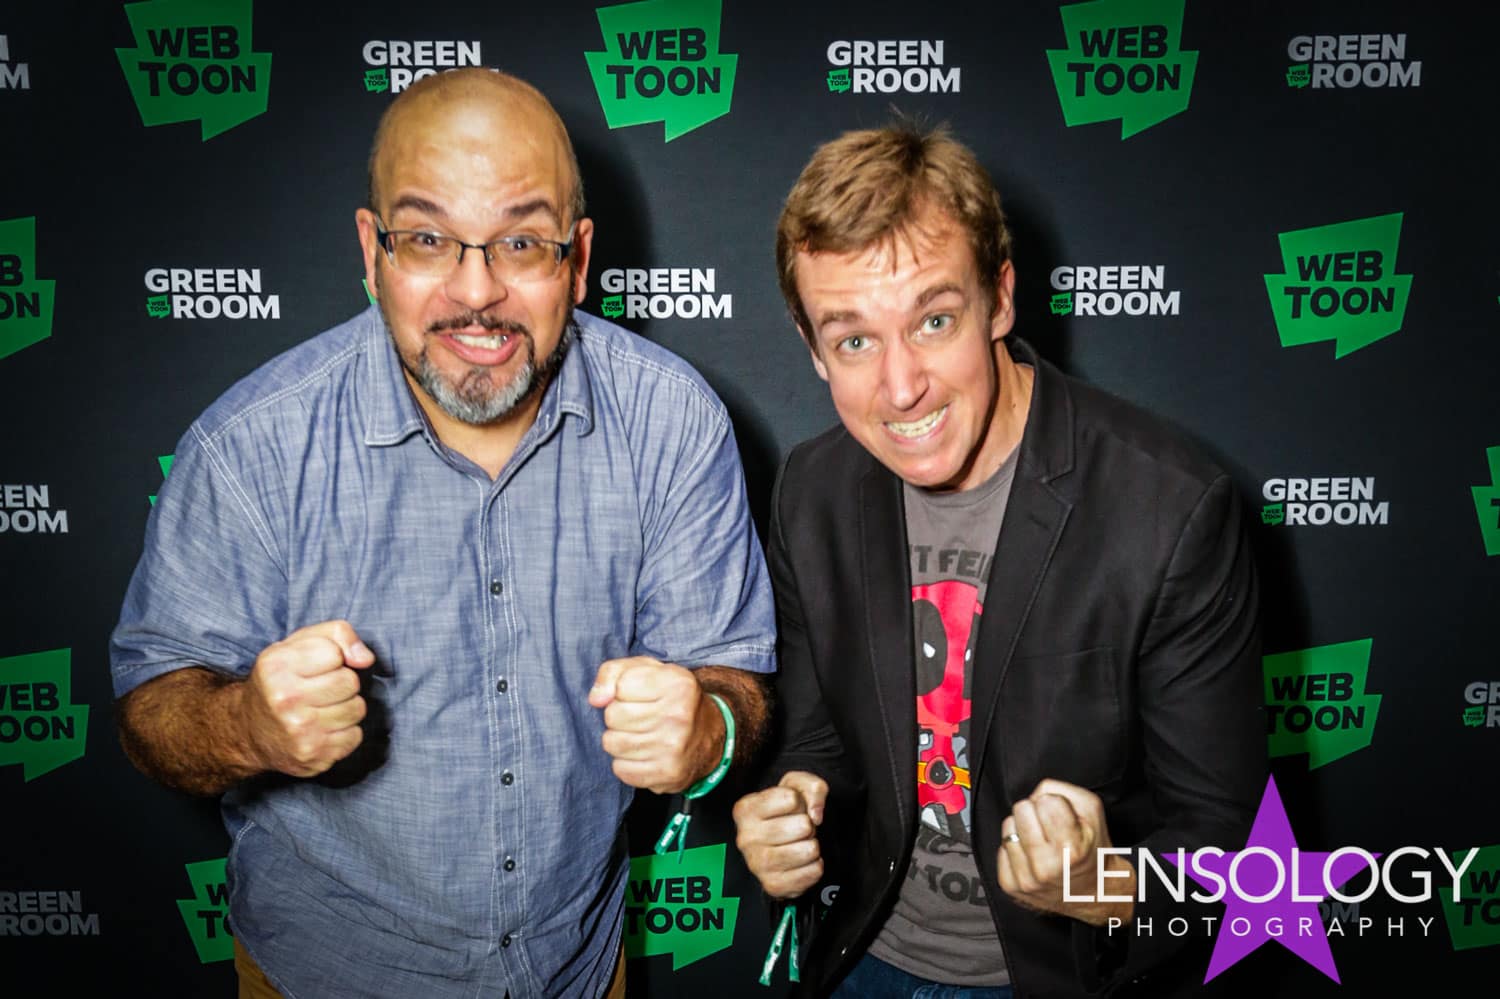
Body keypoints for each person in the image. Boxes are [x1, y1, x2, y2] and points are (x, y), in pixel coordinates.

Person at [109, 68, 774, 999]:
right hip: (318, 976)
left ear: (578, 261)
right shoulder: (248, 447)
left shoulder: (676, 423)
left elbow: (734, 679)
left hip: (579, 973)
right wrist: (245, 725)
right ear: (371, 252)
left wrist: (708, 728)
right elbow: (152, 708)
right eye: (427, 238)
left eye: (522, 241)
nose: (477, 291)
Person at [731, 122, 1265, 998]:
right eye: (854, 339)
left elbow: (1235, 865)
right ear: (809, 343)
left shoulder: (1172, 507)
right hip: (862, 956)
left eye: (934, 320)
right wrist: (790, 806)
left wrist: (1100, 885)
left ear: (1002, 299)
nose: (901, 387)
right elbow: (818, 734)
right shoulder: (811, 489)